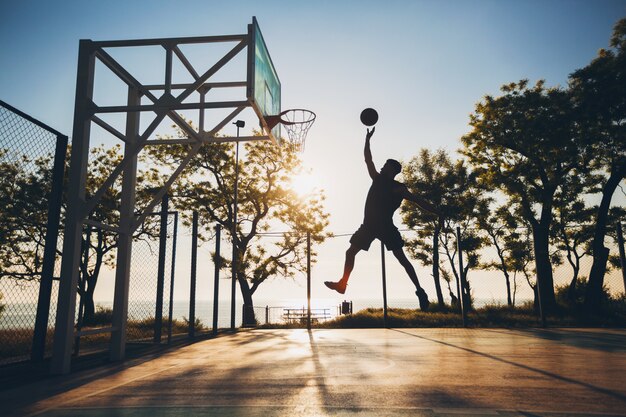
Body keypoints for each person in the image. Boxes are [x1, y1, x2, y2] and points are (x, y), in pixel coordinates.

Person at [324, 127, 441, 310]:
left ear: (392, 169)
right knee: (350, 253)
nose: (382, 166)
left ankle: (420, 291)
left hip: (386, 227)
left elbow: (419, 201)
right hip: (369, 226)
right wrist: (367, 140)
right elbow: (367, 159)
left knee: (402, 259)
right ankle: (342, 284)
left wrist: (438, 212)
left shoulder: (399, 188)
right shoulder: (377, 179)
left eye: (386, 165)